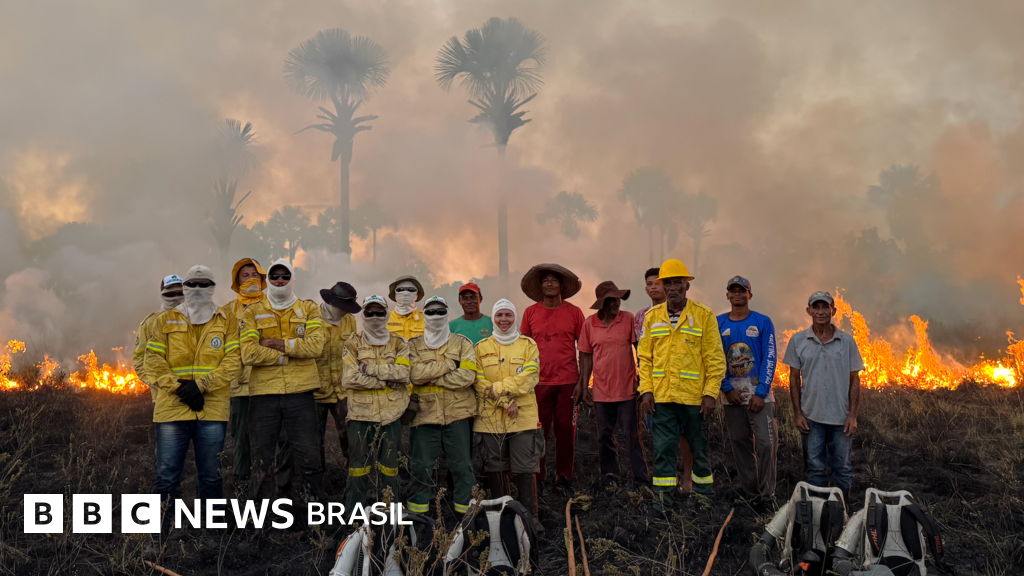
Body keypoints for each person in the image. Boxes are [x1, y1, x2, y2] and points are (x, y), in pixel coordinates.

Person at [143, 265, 240, 524]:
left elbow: (233, 361)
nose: (198, 289)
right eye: (192, 284)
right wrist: (179, 388)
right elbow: (152, 360)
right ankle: (161, 528)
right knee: (166, 473)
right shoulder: (164, 320)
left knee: (211, 473)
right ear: (185, 288)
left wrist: (201, 385)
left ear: (212, 288)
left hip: (212, 408)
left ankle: (211, 528)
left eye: (204, 284)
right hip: (171, 407)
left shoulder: (226, 320)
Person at [638, 259, 726, 515]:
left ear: (687, 286)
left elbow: (715, 358)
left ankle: (704, 500)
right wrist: (646, 391)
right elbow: (644, 358)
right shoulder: (652, 317)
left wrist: (710, 394)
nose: (673, 288)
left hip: (695, 399)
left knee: (699, 450)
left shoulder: (703, 315)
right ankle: (661, 503)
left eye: (679, 283)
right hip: (662, 398)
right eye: (668, 283)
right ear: (663, 287)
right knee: (663, 451)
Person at [240, 259, 327, 505]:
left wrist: (275, 343)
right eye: (275, 276)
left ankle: (316, 523)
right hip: (263, 396)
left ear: (292, 279)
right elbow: (248, 353)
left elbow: (316, 346)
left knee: (310, 459)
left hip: (301, 395)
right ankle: (259, 524)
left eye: (285, 276)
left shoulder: (309, 309)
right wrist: (287, 355)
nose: (279, 280)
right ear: (267, 279)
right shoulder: (252, 312)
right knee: (260, 462)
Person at [782, 291, 864, 507]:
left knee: (842, 468)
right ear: (809, 310)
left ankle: (842, 511)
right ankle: (818, 512)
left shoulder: (846, 342)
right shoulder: (799, 340)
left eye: (825, 307)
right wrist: (798, 414)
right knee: (815, 468)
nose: (820, 312)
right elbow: (793, 379)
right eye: (815, 307)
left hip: (840, 419)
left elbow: (855, 380)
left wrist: (852, 416)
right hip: (811, 418)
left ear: (833, 311)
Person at [473, 299, 544, 535]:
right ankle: (502, 519)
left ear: (516, 318)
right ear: (493, 318)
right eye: (500, 315)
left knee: (525, 468)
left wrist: (500, 388)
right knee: (495, 468)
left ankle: (530, 521)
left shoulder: (528, 345)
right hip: (490, 419)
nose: (504, 320)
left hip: (522, 418)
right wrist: (504, 400)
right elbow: (478, 381)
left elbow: (530, 377)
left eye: (509, 315)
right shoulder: (481, 347)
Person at [406, 296, 479, 516]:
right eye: (431, 312)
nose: (436, 316)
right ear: (424, 315)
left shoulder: (462, 343)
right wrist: (449, 365)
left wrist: (432, 376)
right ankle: (419, 521)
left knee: (462, 468)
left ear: (447, 314)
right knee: (421, 468)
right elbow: (413, 375)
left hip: (457, 416)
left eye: (440, 312)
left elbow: (467, 377)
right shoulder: (413, 345)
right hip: (424, 416)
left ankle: (465, 519)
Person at [519, 263, 585, 494]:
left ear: (561, 286)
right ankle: (541, 477)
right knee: (539, 431)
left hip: (568, 381)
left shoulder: (575, 312)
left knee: (566, 430)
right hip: (538, 382)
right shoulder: (530, 312)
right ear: (539, 286)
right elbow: (523, 348)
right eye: (545, 280)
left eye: (553, 280)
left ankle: (564, 476)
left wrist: (582, 383)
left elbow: (584, 349)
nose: (549, 283)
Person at [577, 281, 650, 488]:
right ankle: (610, 479)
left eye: (618, 299)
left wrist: (642, 380)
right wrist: (584, 386)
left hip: (627, 389)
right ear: (602, 303)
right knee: (604, 437)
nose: (617, 303)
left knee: (633, 436)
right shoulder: (590, 323)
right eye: (612, 299)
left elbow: (639, 350)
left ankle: (642, 479)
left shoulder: (627, 319)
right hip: (601, 392)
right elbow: (585, 356)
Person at [342, 295, 411, 512]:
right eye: (369, 312)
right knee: (357, 468)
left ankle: (390, 514)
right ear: (363, 314)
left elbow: (403, 373)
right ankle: (355, 517)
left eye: (379, 312)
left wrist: (369, 370)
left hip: (392, 415)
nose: (374, 316)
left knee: (390, 468)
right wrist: (385, 382)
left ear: (386, 314)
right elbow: (349, 378)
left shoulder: (399, 343)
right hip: (360, 415)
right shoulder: (353, 343)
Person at [717, 276, 778, 509]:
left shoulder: (763, 322)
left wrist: (761, 392)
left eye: (742, 291)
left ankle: (768, 495)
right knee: (740, 443)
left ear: (749, 295)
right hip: (732, 397)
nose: (737, 294)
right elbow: (713, 358)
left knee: (766, 443)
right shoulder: (718, 323)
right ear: (728, 295)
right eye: (733, 291)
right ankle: (751, 493)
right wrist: (726, 388)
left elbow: (770, 357)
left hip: (759, 396)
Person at [635, 267, 695, 493]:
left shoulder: (690, 314)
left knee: (684, 436)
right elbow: (643, 354)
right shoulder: (643, 317)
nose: (654, 287)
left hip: (684, 388)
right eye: (649, 283)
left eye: (657, 283)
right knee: (661, 439)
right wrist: (645, 387)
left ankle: (687, 478)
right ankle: (666, 484)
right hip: (657, 388)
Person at [221, 258, 267, 490]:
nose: (251, 279)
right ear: (236, 281)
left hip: (269, 383)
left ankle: (270, 482)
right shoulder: (227, 311)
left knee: (274, 436)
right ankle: (242, 483)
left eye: (255, 274)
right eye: (245, 275)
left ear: (263, 279)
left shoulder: (274, 306)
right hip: (239, 386)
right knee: (241, 437)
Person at [314, 282, 361, 471]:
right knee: (314, 440)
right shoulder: (312, 319)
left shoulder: (350, 321)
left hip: (342, 390)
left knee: (350, 436)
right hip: (315, 391)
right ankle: (315, 486)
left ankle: (354, 480)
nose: (345, 312)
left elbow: (353, 352)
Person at [134, 274, 184, 403]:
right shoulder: (149, 324)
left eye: (180, 293)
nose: (176, 297)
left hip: (197, 399)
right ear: (163, 295)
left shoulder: (200, 321)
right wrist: (158, 384)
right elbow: (140, 360)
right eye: (170, 294)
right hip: (164, 400)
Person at [387, 275, 426, 341]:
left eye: (411, 290)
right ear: (395, 294)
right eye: (400, 289)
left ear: (417, 294)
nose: (405, 293)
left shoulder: (427, 318)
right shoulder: (384, 319)